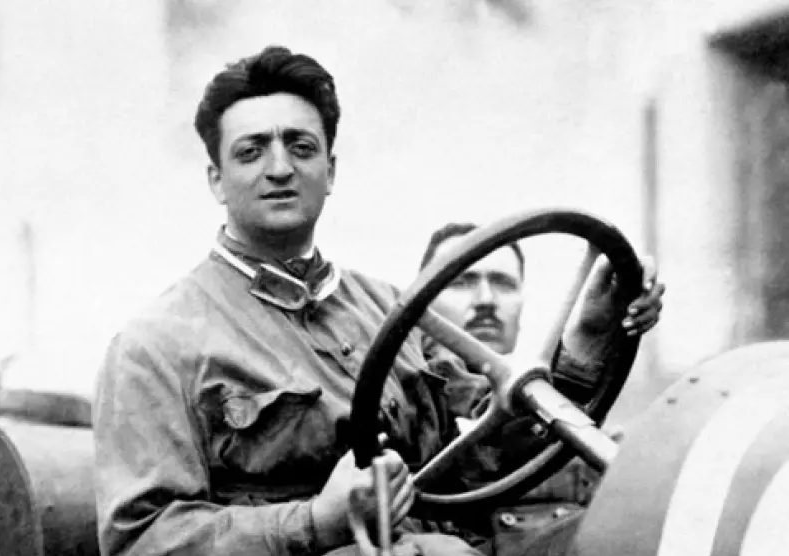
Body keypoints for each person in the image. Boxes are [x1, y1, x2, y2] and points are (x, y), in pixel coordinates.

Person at [93, 45, 665, 556]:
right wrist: (315, 522)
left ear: (329, 171)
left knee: (653, 532)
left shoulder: (396, 311)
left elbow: (494, 456)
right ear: (217, 180)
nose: (280, 168)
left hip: (450, 547)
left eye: (301, 147)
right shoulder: (156, 347)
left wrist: (587, 340)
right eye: (251, 151)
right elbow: (143, 539)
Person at [417, 223, 662, 555]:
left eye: (503, 283)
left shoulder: (573, 419)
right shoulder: (402, 405)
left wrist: (594, 332)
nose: (486, 300)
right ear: (423, 303)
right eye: (461, 282)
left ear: (522, 306)